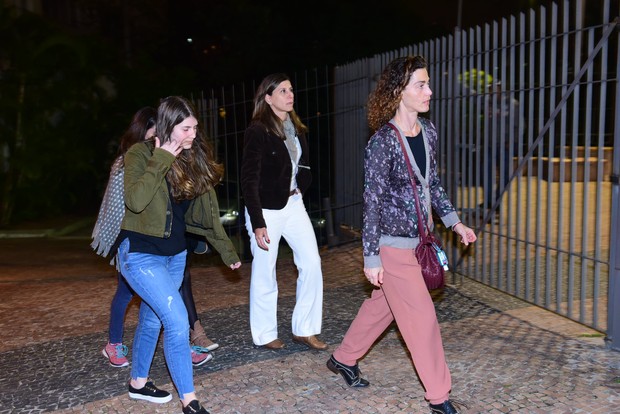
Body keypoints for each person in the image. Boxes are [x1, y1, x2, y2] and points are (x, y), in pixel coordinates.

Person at [325, 56, 477, 414]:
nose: (429, 91)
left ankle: (343, 358)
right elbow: (372, 203)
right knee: (422, 319)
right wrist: (371, 257)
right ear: (399, 91)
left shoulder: (430, 132)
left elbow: (433, 185)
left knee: (383, 308)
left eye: (427, 84)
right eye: (421, 85)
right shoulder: (382, 143)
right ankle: (439, 397)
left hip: (421, 243)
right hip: (392, 247)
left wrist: (456, 223)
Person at [117, 96, 241, 414]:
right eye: (187, 128)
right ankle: (190, 401)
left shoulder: (190, 157)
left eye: (195, 127)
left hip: (175, 256)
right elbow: (136, 200)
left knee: (152, 320)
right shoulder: (140, 154)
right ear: (169, 126)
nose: (193, 134)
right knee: (176, 320)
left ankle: (138, 383)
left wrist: (226, 249)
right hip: (141, 256)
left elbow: (208, 211)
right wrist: (160, 158)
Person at [92, 108, 217, 370]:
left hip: (164, 244)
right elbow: (122, 205)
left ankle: (173, 351)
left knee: (169, 296)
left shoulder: (175, 158)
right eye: (152, 136)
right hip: (134, 244)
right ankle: (114, 343)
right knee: (127, 293)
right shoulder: (129, 161)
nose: (158, 142)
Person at [240, 73, 327, 351]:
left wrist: (302, 184)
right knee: (265, 271)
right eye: (282, 91)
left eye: (291, 90)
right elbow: (248, 179)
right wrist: (257, 221)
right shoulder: (258, 131)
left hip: (293, 203)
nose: (290, 95)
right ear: (268, 98)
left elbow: (303, 164)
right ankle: (265, 334)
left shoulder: (296, 127)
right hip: (266, 210)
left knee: (311, 262)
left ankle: (305, 329)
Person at [482, 81, 522, 214]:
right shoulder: (488, 102)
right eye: (490, 88)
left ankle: (496, 200)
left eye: (495, 88)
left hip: (505, 145)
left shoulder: (512, 104)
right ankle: (489, 202)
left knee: (505, 176)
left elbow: (520, 126)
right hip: (489, 145)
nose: (492, 90)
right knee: (486, 174)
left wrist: (511, 141)